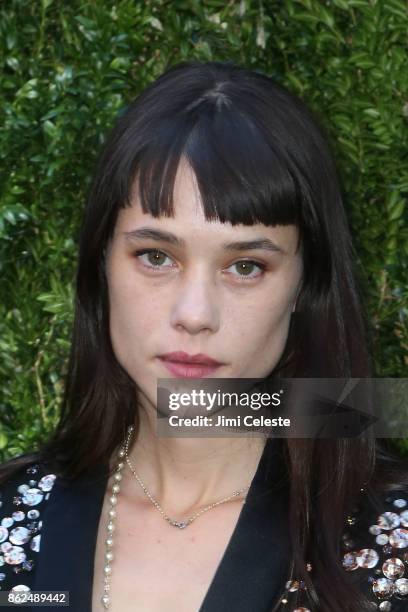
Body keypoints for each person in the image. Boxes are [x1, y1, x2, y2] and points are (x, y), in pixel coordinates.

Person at [0, 60, 407, 612]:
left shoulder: (391, 543)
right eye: (155, 256)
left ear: (303, 286)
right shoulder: (11, 514)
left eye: (245, 267)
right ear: (102, 266)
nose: (194, 314)